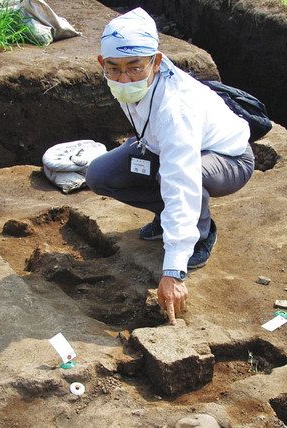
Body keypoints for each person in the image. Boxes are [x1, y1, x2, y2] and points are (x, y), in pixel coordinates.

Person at [86, 8, 254, 325]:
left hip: (227, 159)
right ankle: (169, 220)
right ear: (101, 63)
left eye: (134, 69)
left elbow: (182, 179)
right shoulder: (124, 81)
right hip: (164, 149)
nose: (124, 78)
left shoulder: (176, 108)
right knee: (100, 175)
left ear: (157, 62)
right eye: (114, 68)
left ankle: (201, 235)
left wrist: (173, 271)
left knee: (176, 177)